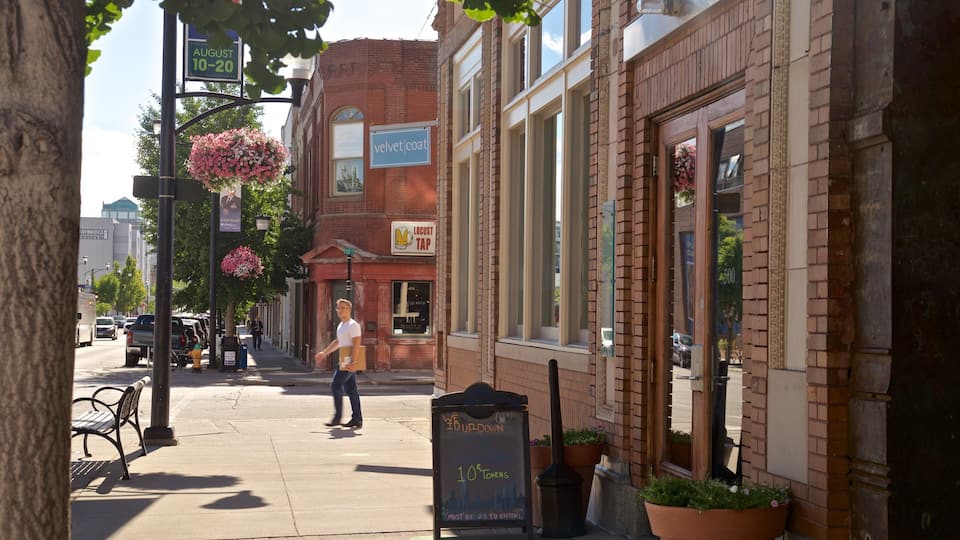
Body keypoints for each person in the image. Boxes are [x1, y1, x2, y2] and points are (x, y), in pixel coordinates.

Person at [315, 299, 363, 429]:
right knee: (352, 390)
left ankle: (337, 417)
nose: (340, 310)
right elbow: (338, 342)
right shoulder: (341, 325)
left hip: (349, 362)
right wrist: (324, 353)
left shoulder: (353, 325)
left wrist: (354, 362)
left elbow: (356, 344)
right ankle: (357, 419)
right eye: (338, 308)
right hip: (343, 360)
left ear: (349, 309)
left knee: (336, 385)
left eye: (343, 308)